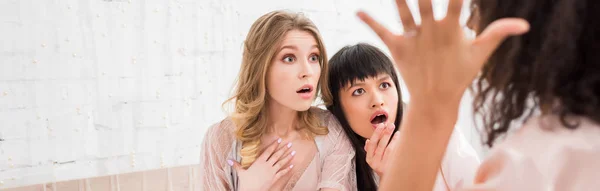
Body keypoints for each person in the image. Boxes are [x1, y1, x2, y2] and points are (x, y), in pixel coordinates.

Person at [358, 0, 600, 190]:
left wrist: (432, 107)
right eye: (358, 91)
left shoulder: (535, 163)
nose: (472, 24)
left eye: (479, 7)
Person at [199, 10, 356, 191]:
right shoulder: (220, 139)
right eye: (289, 58)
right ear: (261, 68)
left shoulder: (330, 132)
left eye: (314, 57)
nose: (308, 71)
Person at [323, 43, 479, 190]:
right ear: (336, 108)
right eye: (358, 91)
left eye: (384, 85)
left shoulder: (439, 136)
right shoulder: (337, 162)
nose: (377, 101)